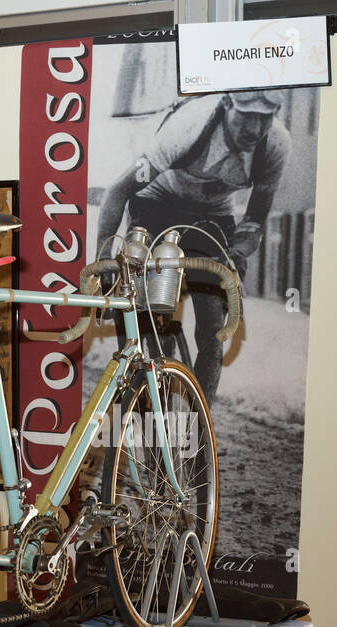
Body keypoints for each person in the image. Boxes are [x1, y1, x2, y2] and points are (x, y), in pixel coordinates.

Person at [95, 89, 291, 400]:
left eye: (264, 118)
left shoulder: (276, 145)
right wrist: (103, 263)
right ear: (227, 103)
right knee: (151, 305)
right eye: (246, 116)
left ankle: (202, 426)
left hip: (212, 214)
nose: (254, 129)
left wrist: (234, 255)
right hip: (157, 202)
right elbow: (118, 191)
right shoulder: (190, 124)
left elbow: (254, 222)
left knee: (213, 327)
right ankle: (147, 391)